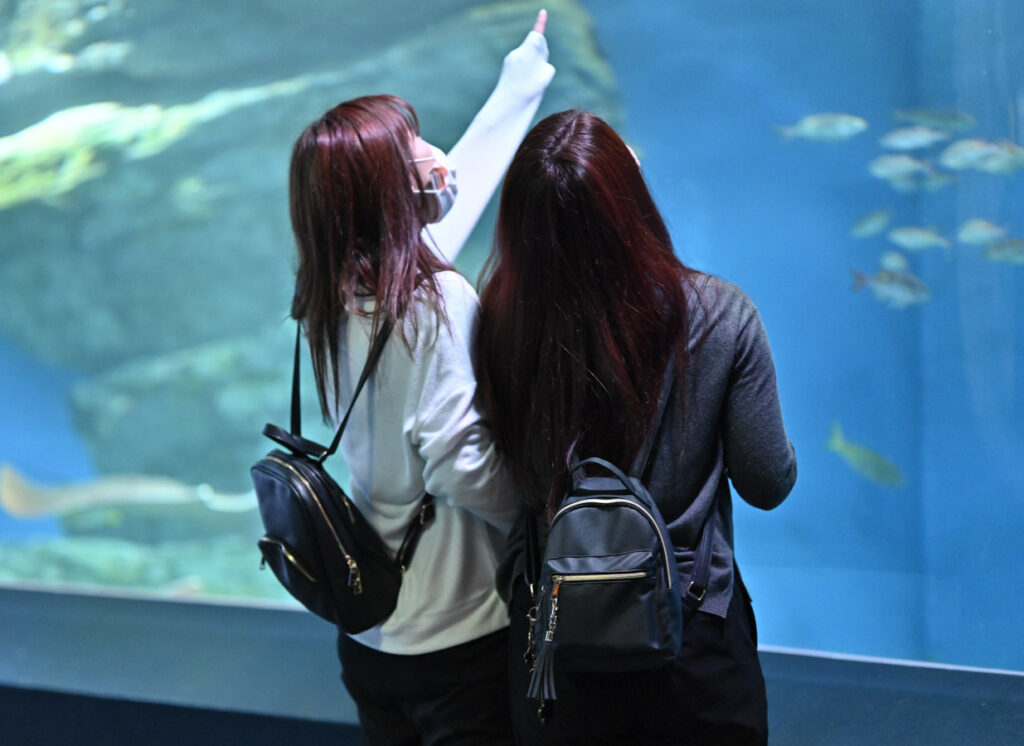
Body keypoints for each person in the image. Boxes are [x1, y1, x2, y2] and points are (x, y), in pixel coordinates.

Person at [476, 110, 798, 745]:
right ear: (630, 201)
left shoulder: (496, 324)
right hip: (690, 634)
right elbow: (767, 482)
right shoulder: (722, 314)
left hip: (556, 639)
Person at [285, 11, 554, 745]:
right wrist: (541, 527)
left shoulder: (330, 292)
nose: (434, 155)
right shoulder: (435, 303)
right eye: (413, 147)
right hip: (454, 632)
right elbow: (461, 466)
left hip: (372, 628)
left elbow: (439, 217)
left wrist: (522, 78)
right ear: (387, 190)